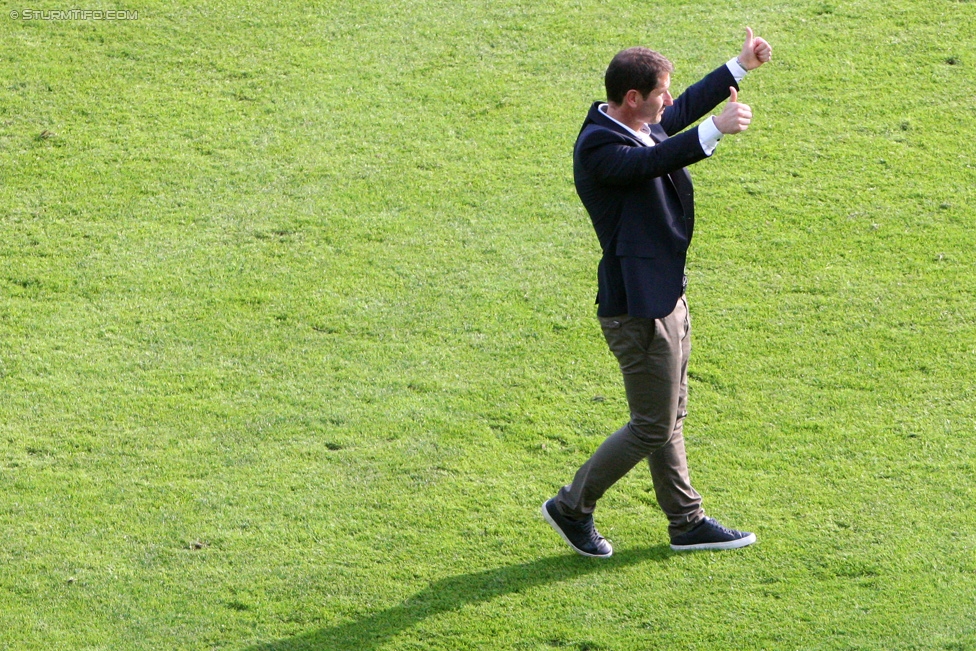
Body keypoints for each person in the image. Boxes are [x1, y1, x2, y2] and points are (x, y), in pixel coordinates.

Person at [542, 29, 772, 557]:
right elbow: (652, 162)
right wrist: (714, 129)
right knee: (652, 424)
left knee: (670, 416)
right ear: (631, 98)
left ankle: (687, 522)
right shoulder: (600, 146)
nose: (667, 101)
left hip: (663, 294)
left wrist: (738, 67)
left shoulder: (631, 120)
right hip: (638, 307)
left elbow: (677, 111)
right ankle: (571, 507)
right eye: (658, 93)